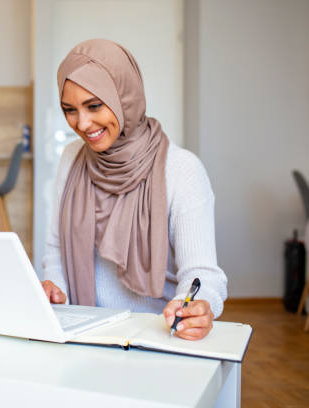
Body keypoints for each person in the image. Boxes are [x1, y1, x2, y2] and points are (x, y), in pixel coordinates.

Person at [40, 39, 227, 340]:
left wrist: (195, 306)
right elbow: (56, 250)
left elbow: (203, 276)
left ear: (124, 97)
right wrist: (55, 286)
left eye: (94, 105)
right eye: (69, 110)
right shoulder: (72, 158)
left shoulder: (181, 169)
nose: (83, 123)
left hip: (156, 337)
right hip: (84, 335)